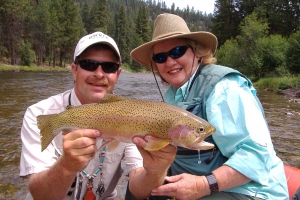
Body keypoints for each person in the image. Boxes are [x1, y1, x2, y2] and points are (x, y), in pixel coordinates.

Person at [130, 13, 289, 199]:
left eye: (177, 51)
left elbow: (257, 155)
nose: (170, 62)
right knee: (135, 191)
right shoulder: (172, 96)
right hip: (205, 185)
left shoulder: (224, 88)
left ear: (197, 52)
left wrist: (203, 185)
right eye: (160, 57)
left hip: (251, 192)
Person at [19, 31, 176, 200]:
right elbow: (40, 195)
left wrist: (156, 171)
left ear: (118, 74)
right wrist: (66, 166)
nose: (99, 74)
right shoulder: (40, 114)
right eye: (89, 64)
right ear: (74, 70)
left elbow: (139, 189)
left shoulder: (133, 117)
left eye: (109, 67)